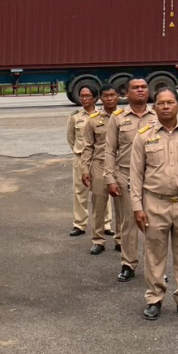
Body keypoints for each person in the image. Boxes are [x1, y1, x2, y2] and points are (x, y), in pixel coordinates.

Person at [130, 88, 178, 321]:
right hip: (155, 203)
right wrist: (137, 207)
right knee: (154, 254)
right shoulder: (143, 136)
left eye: (170, 102)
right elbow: (135, 176)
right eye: (161, 103)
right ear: (154, 108)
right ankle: (154, 299)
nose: (165, 107)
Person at [105, 78, 158, 282]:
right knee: (129, 222)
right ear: (127, 93)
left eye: (143, 87)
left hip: (153, 176)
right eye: (135, 88)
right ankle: (128, 263)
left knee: (155, 224)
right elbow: (109, 150)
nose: (140, 90)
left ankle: (156, 266)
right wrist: (110, 178)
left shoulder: (157, 115)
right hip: (126, 176)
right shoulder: (118, 118)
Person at [79, 87, 121, 256]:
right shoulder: (93, 120)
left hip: (120, 166)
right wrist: (84, 169)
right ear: (100, 99)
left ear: (118, 97)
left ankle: (120, 239)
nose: (109, 99)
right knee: (99, 204)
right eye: (106, 96)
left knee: (122, 206)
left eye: (112, 95)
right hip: (99, 165)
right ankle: (98, 240)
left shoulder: (125, 118)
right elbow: (87, 146)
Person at [67, 86, 97, 237]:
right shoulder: (75, 117)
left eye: (88, 96)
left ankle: (105, 224)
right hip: (80, 158)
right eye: (82, 96)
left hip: (98, 159)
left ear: (94, 98)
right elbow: (70, 138)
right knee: (80, 192)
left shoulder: (102, 116)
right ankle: (80, 224)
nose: (84, 99)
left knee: (101, 192)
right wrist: (80, 151)